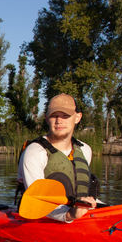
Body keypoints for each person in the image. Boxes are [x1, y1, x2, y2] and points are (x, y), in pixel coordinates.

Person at [17, 93, 98, 222]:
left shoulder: (85, 150)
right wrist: (69, 215)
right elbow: (38, 202)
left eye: (66, 116)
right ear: (46, 118)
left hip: (81, 217)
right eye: (54, 115)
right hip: (45, 220)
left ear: (77, 117)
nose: (59, 121)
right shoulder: (34, 152)